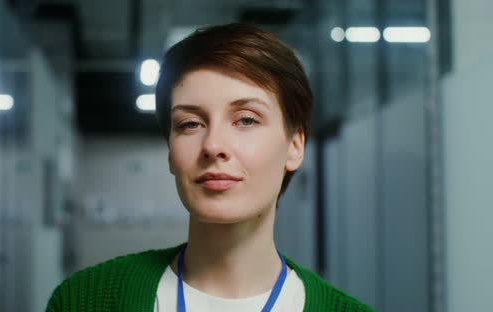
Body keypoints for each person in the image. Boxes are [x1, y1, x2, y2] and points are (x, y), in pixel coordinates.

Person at [46, 23, 375, 312]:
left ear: (295, 145)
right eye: (190, 124)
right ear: (171, 151)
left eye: (246, 119)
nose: (213, 146)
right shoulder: (85, 300)